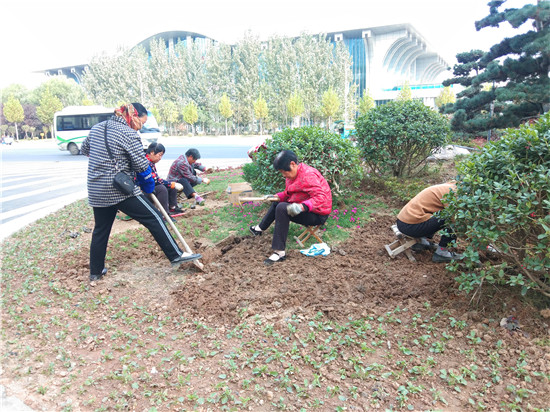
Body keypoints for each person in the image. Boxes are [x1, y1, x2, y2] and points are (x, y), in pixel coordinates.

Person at [81, 103, 201, 282]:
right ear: (133, 116)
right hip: (119, 189)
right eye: (141, 122)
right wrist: (148, 184)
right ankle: (176, 254)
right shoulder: (129, 134)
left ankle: (95, 272)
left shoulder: (97, 128)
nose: (140, 127)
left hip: (96, 188)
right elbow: (142, 165)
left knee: (101, 229)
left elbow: (85, 150)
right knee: (154, 217)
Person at [249, 150, 332, 265]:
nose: (283, 175)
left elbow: (321, 197)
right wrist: (275, 197)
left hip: (317, 214)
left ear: (292, 164)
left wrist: (302, 206)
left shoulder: (308, 175)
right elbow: (288, 193)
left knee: (282, 208)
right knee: (277, 203)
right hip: (304, 208)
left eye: (284, 171)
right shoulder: (292, 176)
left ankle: (279, 252)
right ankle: (259, 229)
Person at [396, 182, 463, 263]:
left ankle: (421, 242)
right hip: (410, 226)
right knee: (451, 218)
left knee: (437, 212)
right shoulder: (453, 193)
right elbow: (454, 219)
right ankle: (442, 252)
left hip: (403, 222)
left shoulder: (449, 186)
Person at [144, 142, 184, 216]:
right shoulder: (145, 162)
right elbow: (155, 180)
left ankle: (172, 207)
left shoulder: (150, 162)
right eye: (159, 155)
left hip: (149, 185)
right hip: (143, 189)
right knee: (162, 188)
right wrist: (170, 184)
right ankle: (165, 214)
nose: (160, 158)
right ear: (152, 152)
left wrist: (171, 184)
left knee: (171, 185)